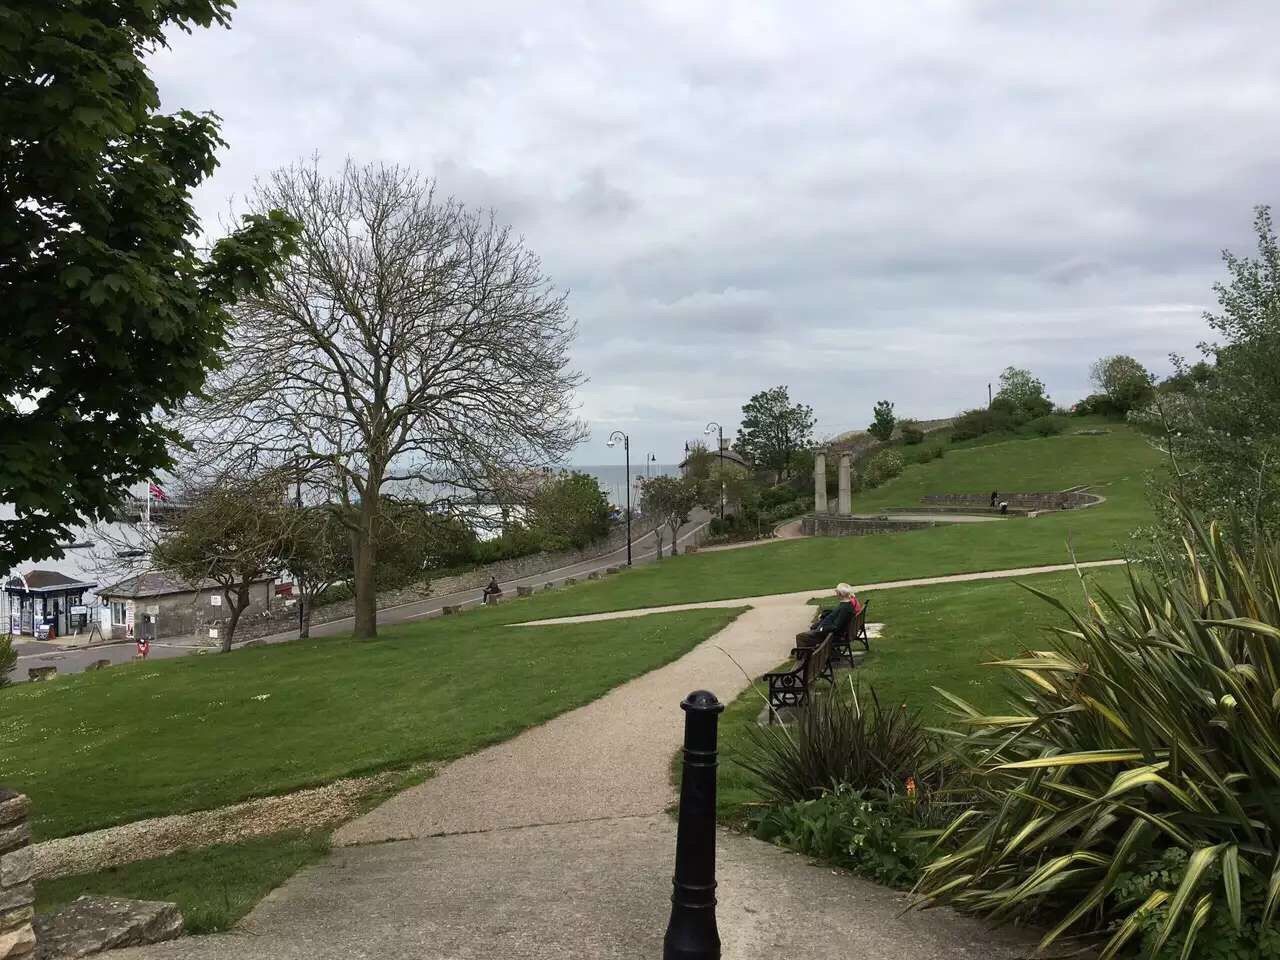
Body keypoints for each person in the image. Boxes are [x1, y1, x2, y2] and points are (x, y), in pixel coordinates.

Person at [796, 582, 858, 649]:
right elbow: (836, 618)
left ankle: (804, 656)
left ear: (839, 594)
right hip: (833, 633)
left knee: (801, 637)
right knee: (811, 630)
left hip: (831, 636)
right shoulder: (847, 605)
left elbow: (836, 627)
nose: (836, 593)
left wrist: (822, 628)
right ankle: (807, 654)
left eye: (836, 592)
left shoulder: (845, 608)